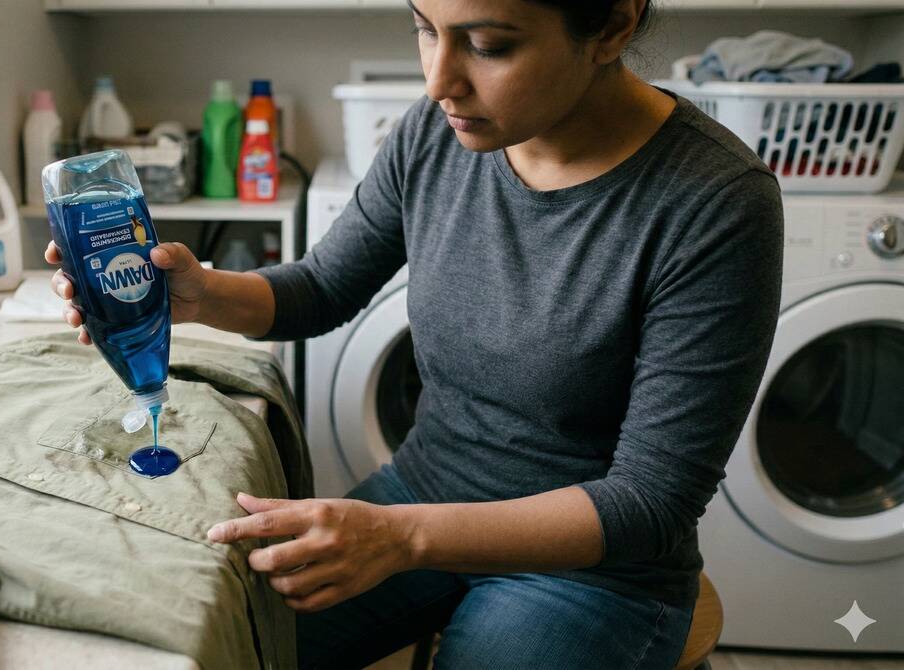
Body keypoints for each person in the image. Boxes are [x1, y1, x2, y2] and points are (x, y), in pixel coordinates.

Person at [46, 0, 784, 667]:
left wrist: (402, 538)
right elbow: (320, 289)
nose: (439, 81)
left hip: (593, 570)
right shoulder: (437, 134)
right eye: (425, 29)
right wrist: (199, 293)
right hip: (423, 490)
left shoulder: (714, 203)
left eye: (489, 45)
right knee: (217, 633)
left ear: (613, 27)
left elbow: (650, 501)